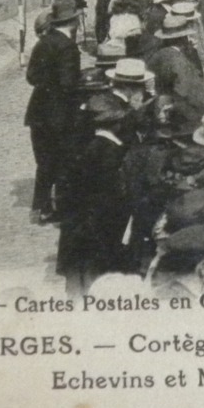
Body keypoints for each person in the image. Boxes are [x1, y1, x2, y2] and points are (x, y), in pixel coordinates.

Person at [57, 91, 133, 293]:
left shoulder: (80, 147)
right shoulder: (113, 153)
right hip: (100, 230)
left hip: (76, 229)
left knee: (76, 283)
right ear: (117, 124)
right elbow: (115, 195)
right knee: (97, 283)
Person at [23, 0, 83, 224]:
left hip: (38, 112)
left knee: (45, 161)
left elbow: (31, 77)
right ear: (73, 22)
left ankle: (40, 207)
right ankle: (60, 208)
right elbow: (68, 85)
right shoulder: (68, 47)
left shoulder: (43, 42)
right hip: (59, 115)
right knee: (64, 160)